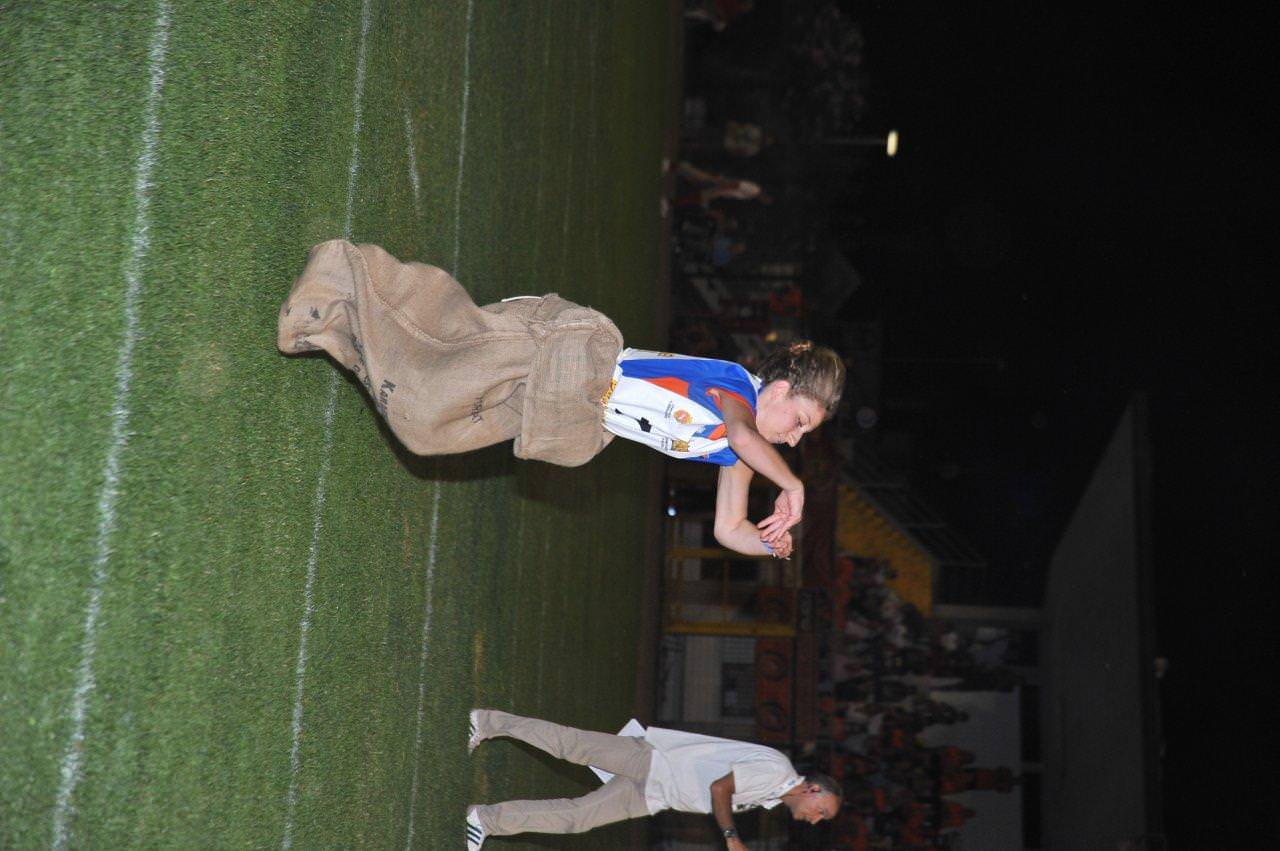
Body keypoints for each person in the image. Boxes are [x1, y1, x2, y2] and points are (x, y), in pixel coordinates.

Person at [277, 241, 845, 557]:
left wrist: (773, 543)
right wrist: (792, 485)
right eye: (799, 421)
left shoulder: (735, 455)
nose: (794, 439)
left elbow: (728, 528)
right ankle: (342, 272)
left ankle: (334, 326)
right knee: (444, 340)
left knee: (426, 427)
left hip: (571, 415)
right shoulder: (737, 392)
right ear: (779, 390)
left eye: (802, 435)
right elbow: (744, 433)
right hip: (577, 360)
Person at [464, 709, 841, 850]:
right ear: (812, 789)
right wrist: (731, 837)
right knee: (571, 745)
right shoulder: (777, 771)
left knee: (577, 818)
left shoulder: (771, 796)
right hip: (654, 762)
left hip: (654, 796)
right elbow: (719, 788)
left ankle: (484, 820)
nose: (816, 819)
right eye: (821, 810)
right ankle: (486, 721)